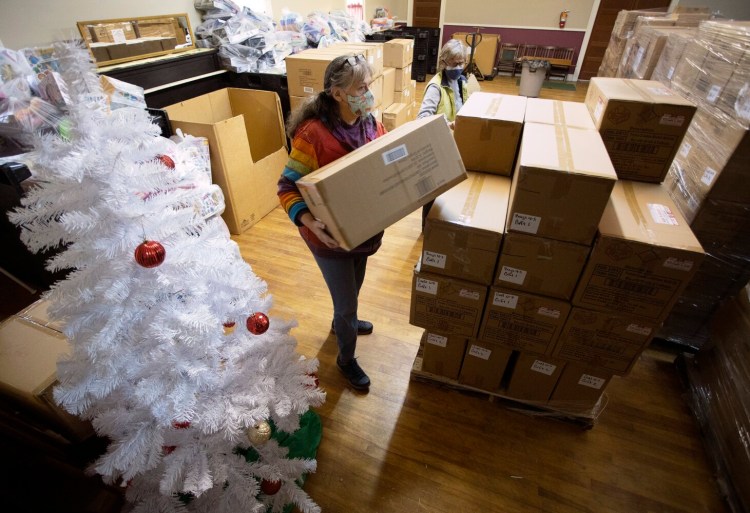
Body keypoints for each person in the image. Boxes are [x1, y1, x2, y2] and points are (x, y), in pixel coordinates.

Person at [277, 54, 387, 391]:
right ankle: (346, 359)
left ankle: (343, 321)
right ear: (338, 93)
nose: (367, 92)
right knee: (347, 304)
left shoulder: (370, 121)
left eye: (369, 85)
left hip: (363, 229)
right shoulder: (313, 135)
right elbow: (286, 188)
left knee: (354, 288)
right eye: (360, 87)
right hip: (329, 236)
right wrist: (311, 222)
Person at [416, 39, 471, 229]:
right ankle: (427, 229)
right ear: (444, 62)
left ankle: (442, 225)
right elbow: (422, 118)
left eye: (462, 63)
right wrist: (449, 124)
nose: (459, 67)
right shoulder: (435, 87)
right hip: (437, 144)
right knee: (433, 190)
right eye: (455, 63)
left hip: (453, 142)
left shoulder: (461, 81)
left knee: (449, 187)